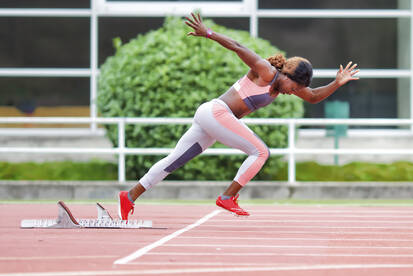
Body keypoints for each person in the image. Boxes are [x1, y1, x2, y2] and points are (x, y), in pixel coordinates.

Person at [118, 12, 359, 220]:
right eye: (293, 87)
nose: (293, 92)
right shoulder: (266, 72)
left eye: (296, 90)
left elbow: (314, 96)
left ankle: (129, 196)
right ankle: (227, 197)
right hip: (216, 112)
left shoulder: (284, 85)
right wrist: (208, 32)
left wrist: (337, 83)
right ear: (286, 74)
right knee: (261, 151)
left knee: (175, 161)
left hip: (211, 118)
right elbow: (238, 47)